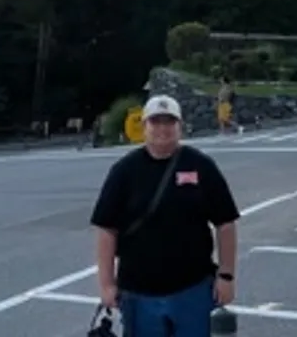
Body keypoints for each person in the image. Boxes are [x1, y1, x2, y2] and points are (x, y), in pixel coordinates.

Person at [90, 94, 240, 337]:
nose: (162, 128)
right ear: (144, 126)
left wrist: (226, 275)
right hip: (138, 293)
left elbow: (226, 223)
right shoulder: (124, 171)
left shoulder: (201, 166)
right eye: (155, 121)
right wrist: (107, 285)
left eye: (169, 121)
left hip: (193, 289)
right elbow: (107, 229)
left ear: (180, 126)